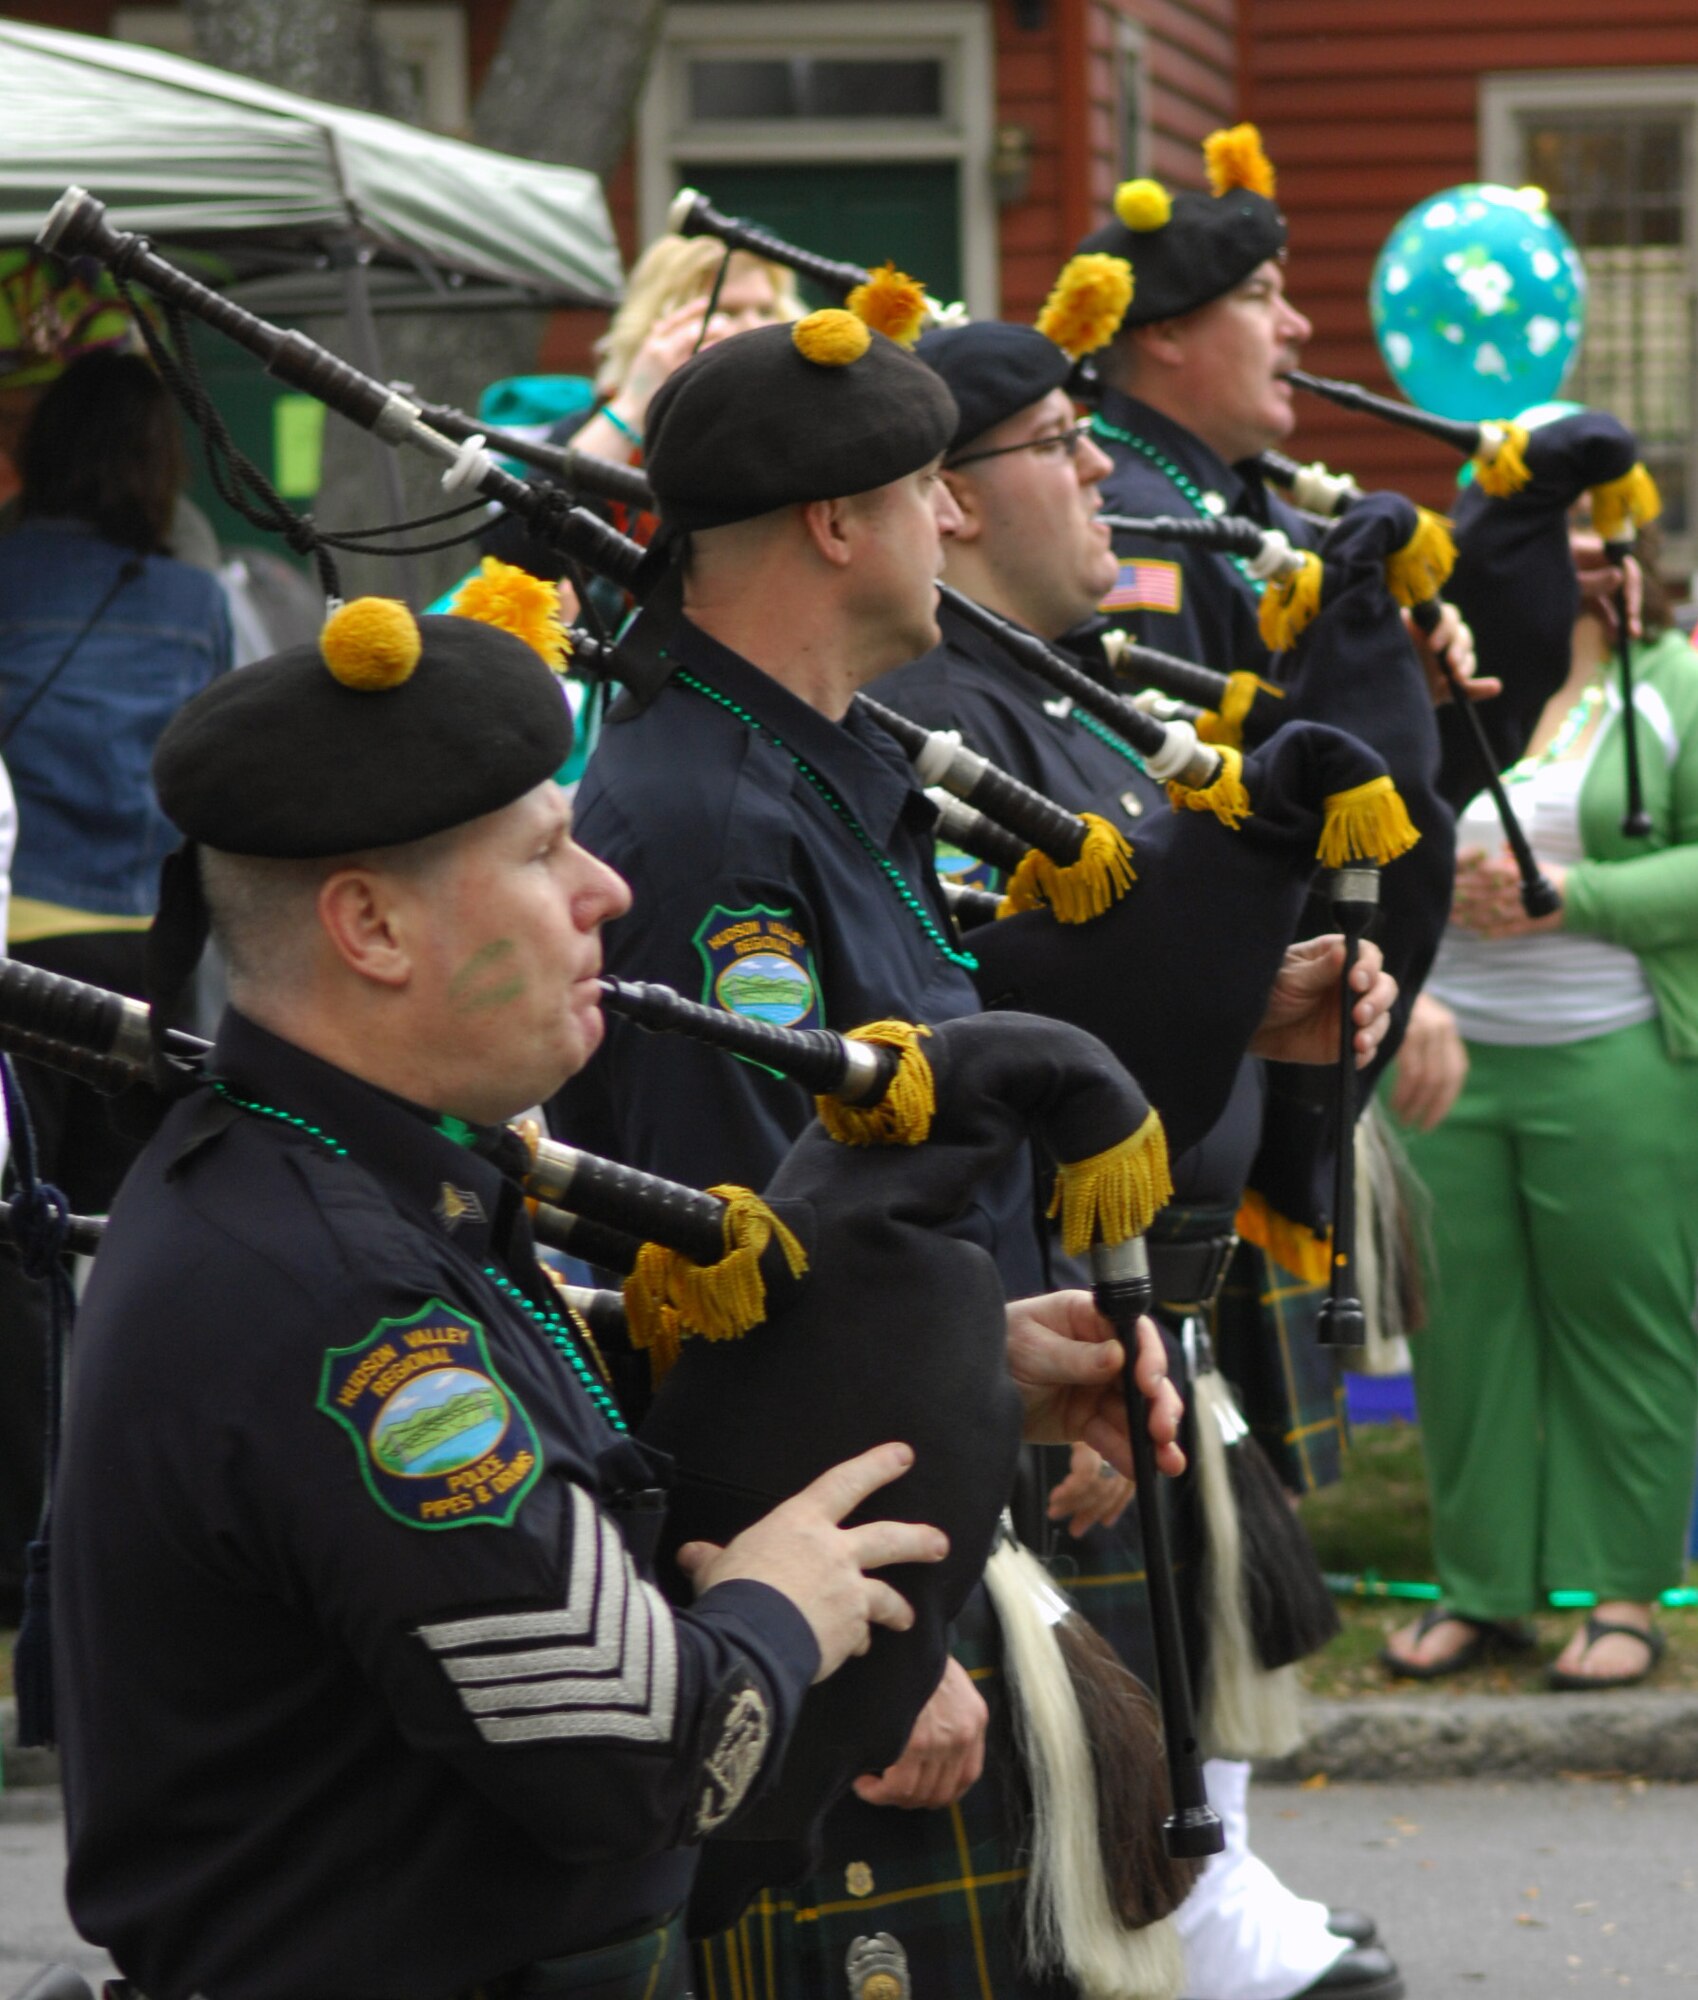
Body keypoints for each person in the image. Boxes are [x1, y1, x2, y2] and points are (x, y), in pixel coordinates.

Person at [50, 590, 1177, 2000]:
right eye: (542, 853)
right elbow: (637, 1756)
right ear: (371, 929)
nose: (607, 890)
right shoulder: (340, 1290)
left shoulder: (361, 1193)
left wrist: (966, 1372)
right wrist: (776, 1608)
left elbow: (560, 1436)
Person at [557, 311, 1179, 2000]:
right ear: (836, 522)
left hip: (903, 1500)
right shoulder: (702, 825)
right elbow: (740, 1272)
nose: (941, 525)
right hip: (839, 1577)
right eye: (921, 487)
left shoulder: (829, 778)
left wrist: (996, 1353)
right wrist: (891, 1653)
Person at [876, 317, 1401, 2000]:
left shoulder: (1056, 689)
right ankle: (1182, 1919)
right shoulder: (932, 720)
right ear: (944, 502)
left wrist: (1257, 1001)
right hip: (1042, 1284)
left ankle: (1208, 1893)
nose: (1098, 465)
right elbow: (973, 1024)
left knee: (1193, 1657)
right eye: (1052, 439)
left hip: (1139, 1272)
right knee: (1113, 1712)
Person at [1068, 126, 1470, 1502]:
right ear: (1166, 334)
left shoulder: (1219, 500)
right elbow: (1180, 801)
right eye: (1262, 297)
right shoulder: (1130, 518)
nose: (1299, 325)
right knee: (1177, 1474)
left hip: (1264, 1020)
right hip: (1208, 1044)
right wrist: (1337, 963)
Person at [1382, 538, 1698, 1691]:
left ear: (1633, 553)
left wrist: (1573, 897)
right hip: (1445, 1060)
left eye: (1591, 540)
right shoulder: (1441, 671)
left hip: (1614, 1057)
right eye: (1541, 540)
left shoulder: (1672, 686)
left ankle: (1624, 1593)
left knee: (1627, 1324)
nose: (1570, 564)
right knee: (1459, 1332)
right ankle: (1481, 1591)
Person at [0, 350, 231, 1216]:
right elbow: (213, 771)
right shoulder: (194, 599)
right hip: (144, 947)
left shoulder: (5, 580)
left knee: (12, 1209)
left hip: (16, 941)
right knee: (111, 1217)